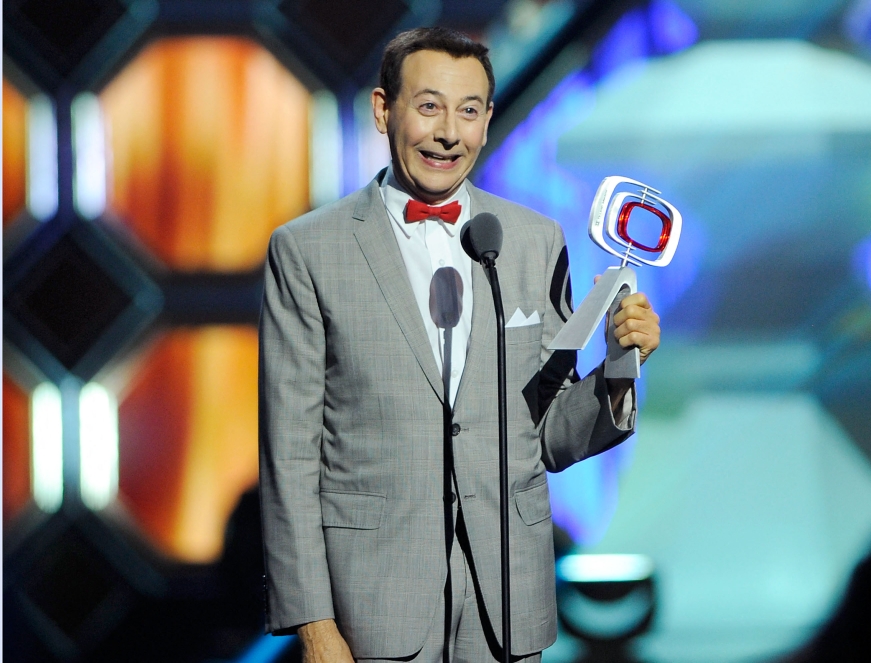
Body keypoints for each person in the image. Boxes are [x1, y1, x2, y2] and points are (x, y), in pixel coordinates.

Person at [258, 27, 661, 663]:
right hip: (371, 610)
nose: (450, 132)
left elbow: (549, 433)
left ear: (489, 118)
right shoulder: (308, 252)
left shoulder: (533, 241)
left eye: (469, 111)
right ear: (382, 110)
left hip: (505, 604)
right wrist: (314, 625)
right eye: (429, 106)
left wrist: (619, 364)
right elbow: (289, 456)